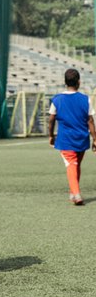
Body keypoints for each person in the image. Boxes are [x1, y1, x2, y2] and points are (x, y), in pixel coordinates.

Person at [48, 68, 96, 205]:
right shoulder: (85, 99)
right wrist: (95, 139)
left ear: (65, 82)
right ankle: (72, 193)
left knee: (71, 165)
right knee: (76, 165)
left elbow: (51, 120)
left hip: (66, 139)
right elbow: (90, 121)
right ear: (79, 82)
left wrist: (51, 135)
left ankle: (76, 194)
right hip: (81, 139)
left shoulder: (57, 99)